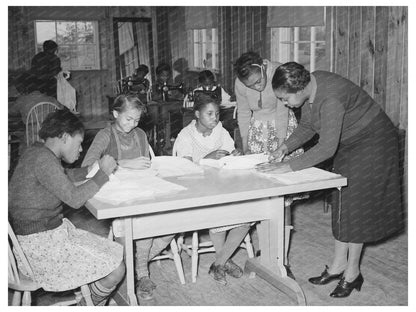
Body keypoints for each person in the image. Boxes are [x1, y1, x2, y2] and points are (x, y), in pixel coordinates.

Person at [257, 62, 403, 297]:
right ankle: (338, 265)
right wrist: (284, 148)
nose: (284, 104)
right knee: (341, 199)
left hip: (375, 141)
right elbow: (307, 126)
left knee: (356, 205)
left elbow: (325, 148)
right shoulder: (311, 86)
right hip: (350, 141)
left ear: (300, 89)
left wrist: (288, 166)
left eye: (285, 99)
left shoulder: (330, 98)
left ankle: (352, 272)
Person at [8, 109, 125, 306]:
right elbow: (75, 199)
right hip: (42, 250)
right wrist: (102, 173)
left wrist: (89, 170)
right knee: (117, 268)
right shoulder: (43, 160)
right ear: (64, 137)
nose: (81, 150)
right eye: (79, 143)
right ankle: (87, 305)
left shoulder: (36, 152)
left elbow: (62, 177)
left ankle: (92, 296)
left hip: (35, 240)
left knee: (109, 248)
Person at [81, 94, 174, 300]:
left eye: (137, 120)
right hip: (118, 196)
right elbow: (86, 166)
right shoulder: (105, 135)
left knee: (171, 225)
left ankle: (132, 265)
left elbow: (145, 166)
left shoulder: (140, 134)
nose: (132, 125)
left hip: (141, 189)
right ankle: (142, 273)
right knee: (143, 224)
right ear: (115, 114)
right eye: (128, 119)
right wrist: (123, 164)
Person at [234, 51, 304, 277]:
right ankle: (266, 250)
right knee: (262, 194)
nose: (256, 87)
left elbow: (283, 113)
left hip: (282, 131)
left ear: (263, 66)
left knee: (284, 198)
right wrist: (245, 146)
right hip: (257, 133)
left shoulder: (277, 71)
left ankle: (281, 258)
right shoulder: (241, 83)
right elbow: (244, 114)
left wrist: (282, 147)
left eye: (258, 81)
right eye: (250, 85)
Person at [173, 93, 250, 285]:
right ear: (197, 114)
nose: (215, 118)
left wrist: (234, 155)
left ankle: (219, 262)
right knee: (221, 217)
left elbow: (228, 159)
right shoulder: (186, 135)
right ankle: (223, 260)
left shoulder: (220, 131)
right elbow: (185, 170)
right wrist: (208, 157)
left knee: (247, 218)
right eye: (209, 114)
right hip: (196, 191)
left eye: (217, 114)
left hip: (222, 185)